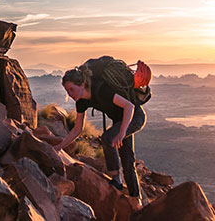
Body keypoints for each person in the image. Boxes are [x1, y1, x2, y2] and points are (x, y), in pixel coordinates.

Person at [56, 68, 148, 206]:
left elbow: (129, 107)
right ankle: (136, 199)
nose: (69, 94)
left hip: (134, 117)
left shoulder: (101, 90)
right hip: (121, 121)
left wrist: (122, 132)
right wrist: (59, 147)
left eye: (71, 89)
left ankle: (116, 180)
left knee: (108, 138)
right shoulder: (81, 101)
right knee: (127, 159)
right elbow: (77, 129)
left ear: (81, 84)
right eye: (67, 91)